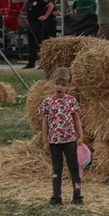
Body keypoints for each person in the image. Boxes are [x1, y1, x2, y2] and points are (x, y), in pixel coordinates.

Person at [39, 65, 84, 205]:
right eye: (57, 83)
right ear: (52, 83)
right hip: (54, 141)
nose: (59, 87)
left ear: (68, 86)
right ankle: (56, 196)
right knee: (56, 168)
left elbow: (76, 119)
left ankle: (77, 195)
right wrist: (45, 141)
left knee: (73, 167)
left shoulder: (71, 101)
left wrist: (80, 136)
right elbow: (45, 122)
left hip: (69, 140)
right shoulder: (47, 102)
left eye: (63, 84)